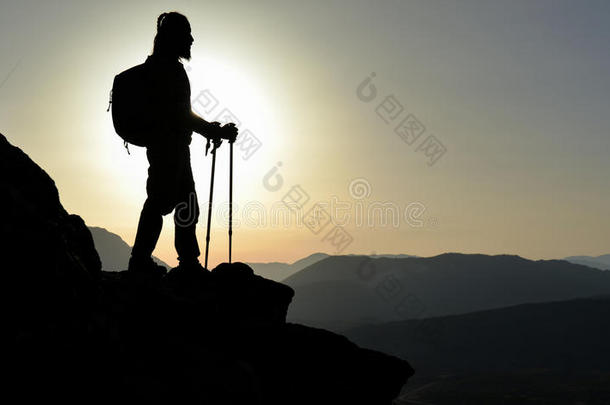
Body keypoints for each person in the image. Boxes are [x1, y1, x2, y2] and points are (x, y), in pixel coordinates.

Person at [128, 12, 237, 275]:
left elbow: (181, 114)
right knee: (161, 201)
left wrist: (211, 130)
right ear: (174, 37)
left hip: (172, 146)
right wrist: (213, 130)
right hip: (168, 147)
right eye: (186, 34)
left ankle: (182, 261)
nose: (191, 39)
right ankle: (147, 261)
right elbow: (180, 114)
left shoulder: (159, 67)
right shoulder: (169, 70)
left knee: (183, 203)